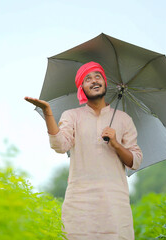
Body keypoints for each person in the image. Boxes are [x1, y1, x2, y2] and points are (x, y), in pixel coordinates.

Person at [25, 61, 143, 240]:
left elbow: (135, 160)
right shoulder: (71, 116)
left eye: (98, 76)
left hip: (114, 201)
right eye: (88, 78)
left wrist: (116, 144)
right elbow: (60, 145)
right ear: (82, 88)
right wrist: (48, 113)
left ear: (105, 82)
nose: (94, 81)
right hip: (80, 201)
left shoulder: (123, 119)